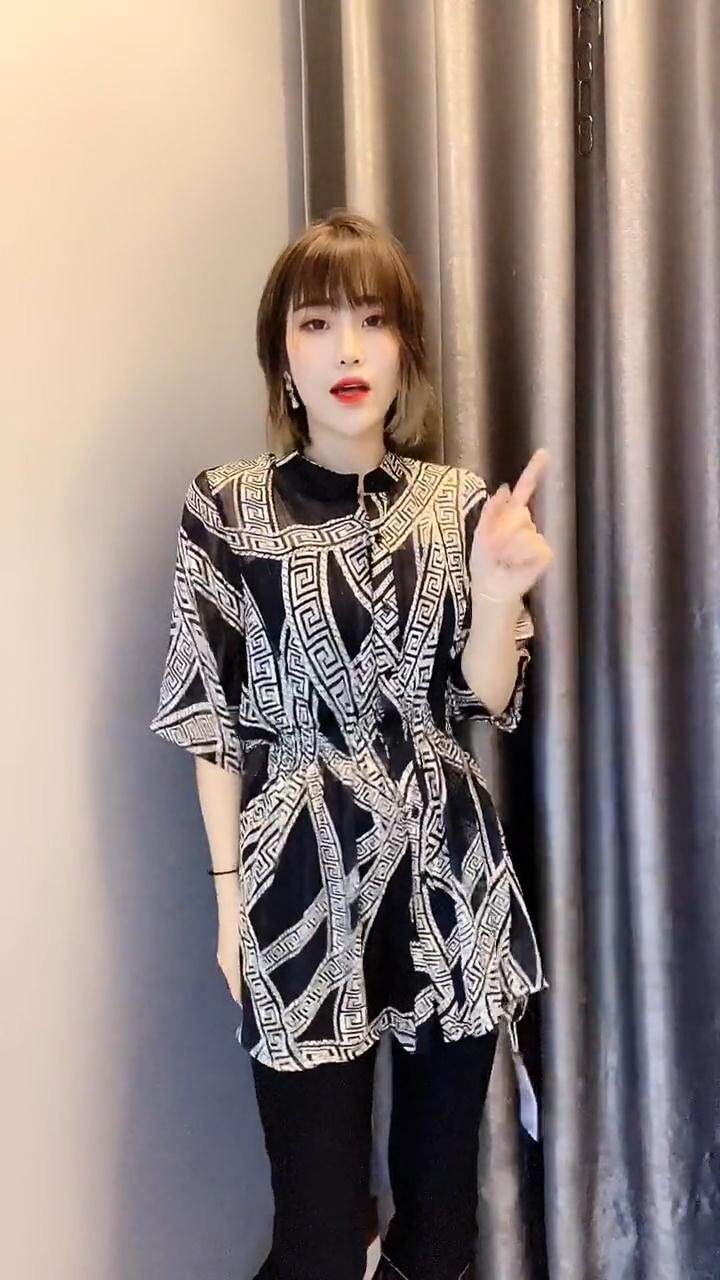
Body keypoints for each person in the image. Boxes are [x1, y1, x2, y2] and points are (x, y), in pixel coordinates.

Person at [150, 209, 553, 1280]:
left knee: (442, 1220)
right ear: (281, 354)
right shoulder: (225, 507)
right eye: (317, 322)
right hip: (295, 872)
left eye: (373, 321)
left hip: (446, 872)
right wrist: (229, 904)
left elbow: (484, 698)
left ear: (405, 347)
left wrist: (499, 594)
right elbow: (209, 715)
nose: (347, 350)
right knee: (320, 1234)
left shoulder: (459, 506)